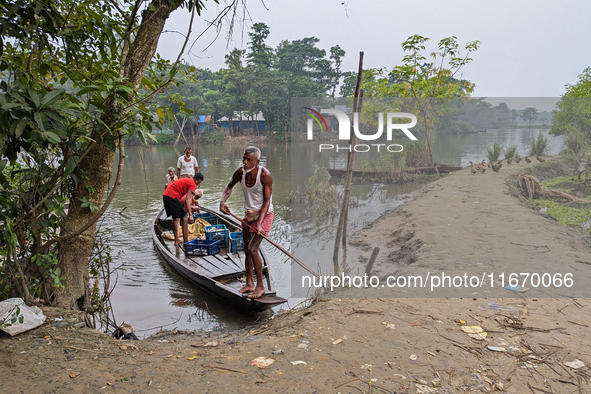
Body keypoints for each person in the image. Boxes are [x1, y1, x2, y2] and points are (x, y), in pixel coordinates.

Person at [220, 146, 273, 299]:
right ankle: (249, 283)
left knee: (253, 249)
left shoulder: (265, 175)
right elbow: (229, 187)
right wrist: (223, 201)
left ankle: (260, 287)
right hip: (249, 214)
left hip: (265, 214)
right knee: (246, 248)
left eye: (249, 160)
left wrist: (260, 224)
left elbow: (267, 201)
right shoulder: (239, 172)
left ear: (257, 162)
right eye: (244, 158)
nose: (245, 162)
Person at [162, 173, 203, 246]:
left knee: (175, 218)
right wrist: (190, 215)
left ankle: (176, 240)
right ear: (199, 181)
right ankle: (186, 241)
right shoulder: (193, 184)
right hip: (172, 196)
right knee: (184, 217)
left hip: (166, 195)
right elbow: (187, 200)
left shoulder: (189, 180)